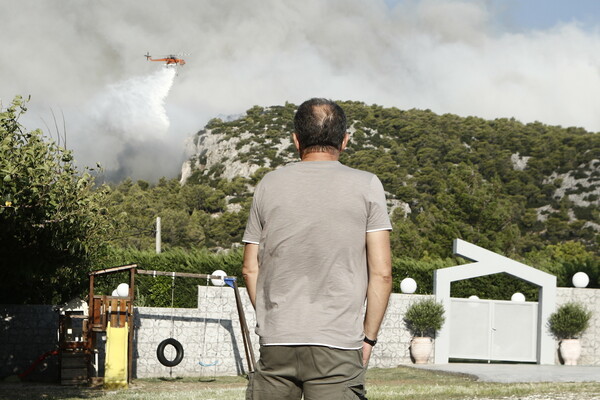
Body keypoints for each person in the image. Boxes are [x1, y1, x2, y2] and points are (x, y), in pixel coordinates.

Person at [242, 98, 392, 400]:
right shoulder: (367, 185)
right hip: (337, 346)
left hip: (277, 343)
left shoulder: (268, 185)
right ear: (345, 140)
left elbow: (249, 268)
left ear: (296, 140)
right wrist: (368, 339)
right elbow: (382, 273)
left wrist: (272, 319)